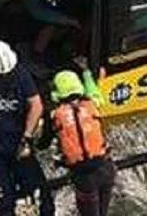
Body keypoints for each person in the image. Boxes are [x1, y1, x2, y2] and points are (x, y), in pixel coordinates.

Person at [0, 40, 55, 216]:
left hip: (17, 139)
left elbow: (35, 104)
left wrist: (27, 137)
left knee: (40, 194)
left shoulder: (20, 74)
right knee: (4, 199)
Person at [48, 70, 115, 216]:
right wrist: (87, 75)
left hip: (83, 176)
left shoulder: (56, 115)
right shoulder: (92, 104)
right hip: (105, 168)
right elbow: (93, 91)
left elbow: (44, 142)